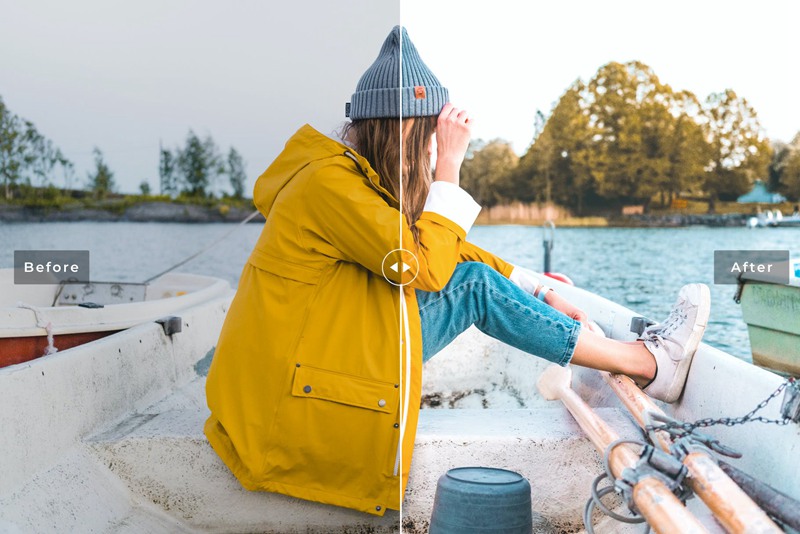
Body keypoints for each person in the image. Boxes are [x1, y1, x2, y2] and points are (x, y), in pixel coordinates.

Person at [204, 26, 710, 517]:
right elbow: (424, 267)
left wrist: (532, 284)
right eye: (429, 137)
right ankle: (648, 365)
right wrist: (451, 167)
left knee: (477, 281)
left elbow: (441, 247)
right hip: (293, 402)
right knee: (472, 288)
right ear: (403, 131)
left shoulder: (344, 179)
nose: (432, 149)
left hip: (316, 357)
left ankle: (630, 358)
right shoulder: (330, 187)